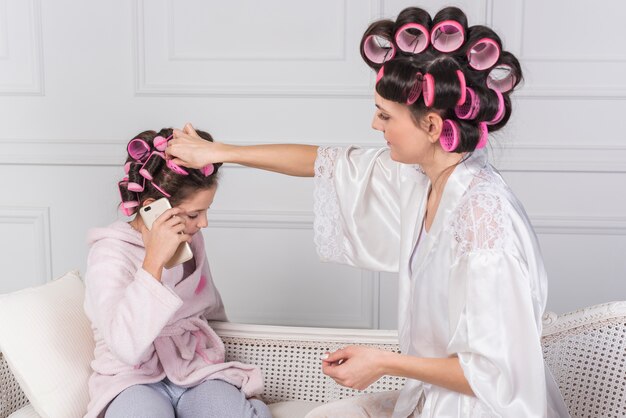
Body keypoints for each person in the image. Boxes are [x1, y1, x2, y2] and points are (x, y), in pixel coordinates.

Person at [165, 6, 570, 418]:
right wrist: (222, 152)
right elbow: (322, 161)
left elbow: (497, 374)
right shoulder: (422, 177)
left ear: (431, 126)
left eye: (385, 115)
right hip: (435, 398)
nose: (374, 125)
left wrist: (382, 362)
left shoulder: (484, 223)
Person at [83, 128, 271, 418]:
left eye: (206, 211)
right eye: (194, 214)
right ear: (152, 209)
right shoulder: (109, 254)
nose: (204, 223)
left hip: (193, 370)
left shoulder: (190, 241)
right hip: (131, 378)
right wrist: (153, 263)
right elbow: (125, 347)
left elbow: (211, 308)